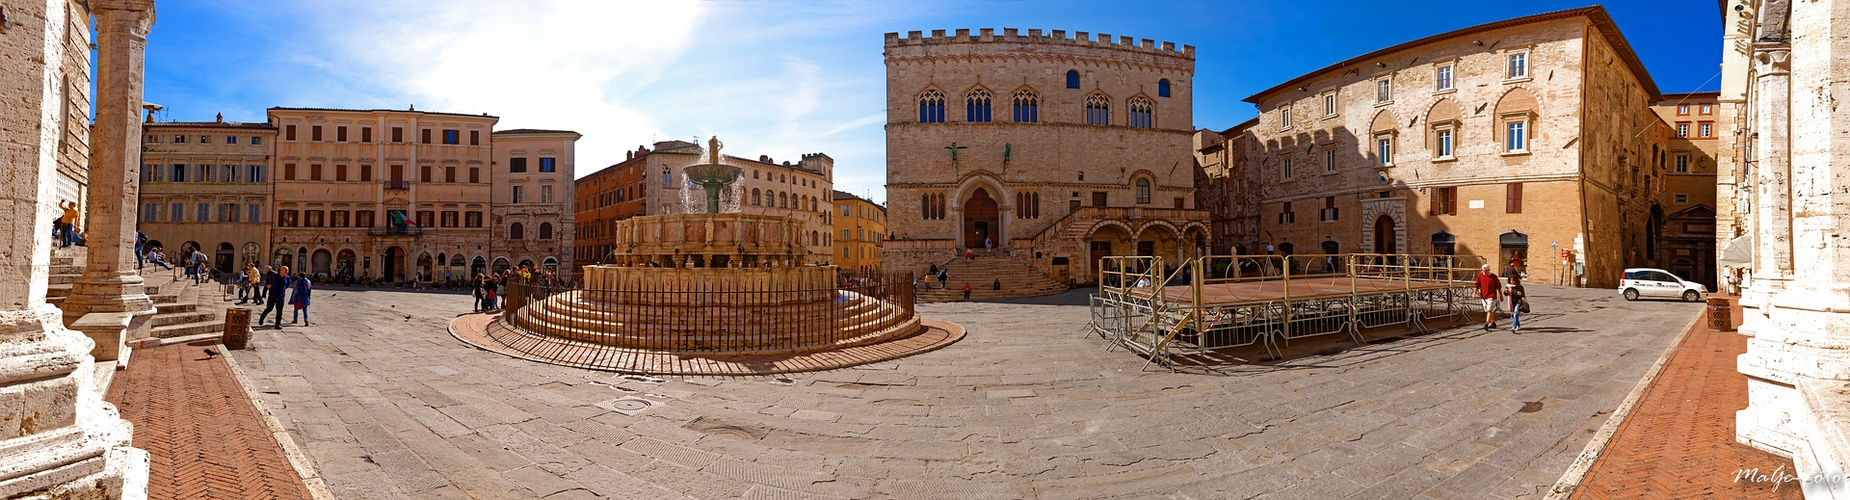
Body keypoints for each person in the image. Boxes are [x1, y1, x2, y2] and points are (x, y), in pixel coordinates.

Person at [1475, 264, 1502, 330]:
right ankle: (1493, 322)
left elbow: (1498, 287)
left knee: (1489, 309)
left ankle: (1486, 323)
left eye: (1485, 270)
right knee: (1487, 310)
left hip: (1491, 295)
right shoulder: (1480, 276)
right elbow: (1476, 285)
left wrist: (1501, 295)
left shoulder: (1494, 277)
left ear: (1489, 270)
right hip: (1483, 296)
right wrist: (1474, 293)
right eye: (1483, 270)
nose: (1484, 272)